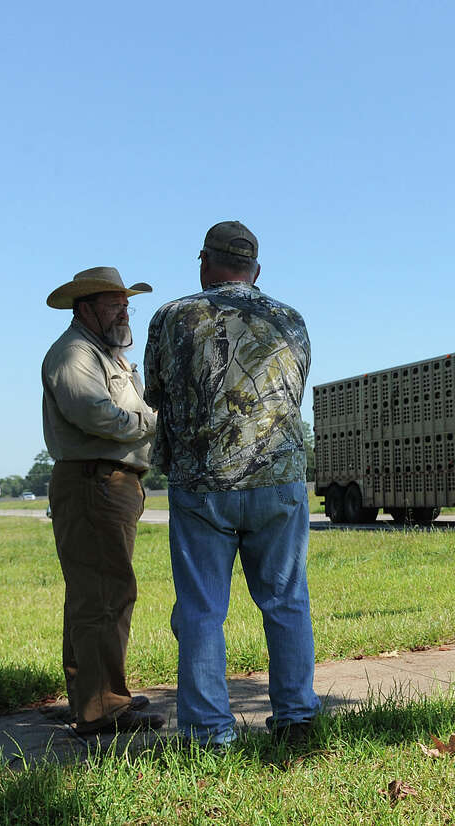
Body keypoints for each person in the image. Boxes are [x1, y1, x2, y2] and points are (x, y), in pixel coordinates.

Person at [144, 221, 318, 747]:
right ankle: (297, 719)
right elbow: (292, 392)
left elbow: (157, 395)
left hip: (203, 486)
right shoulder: (291, 319)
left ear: (204, 262)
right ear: (255, 270)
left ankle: (208, 735)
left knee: (201, 610)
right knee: (286, 601)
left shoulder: (172, 317)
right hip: (277, 481)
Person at [43, 266, 165, 736]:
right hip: (95, 480)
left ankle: (94, 699)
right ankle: (102, 709)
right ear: (85, 309)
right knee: (103, 594)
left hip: (108, 481)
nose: (124, 312)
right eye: (115, 304)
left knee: (97, 593)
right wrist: (153, 422)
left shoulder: (106, 354)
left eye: (126, 304)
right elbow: (96, 414)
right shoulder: (74, 353)